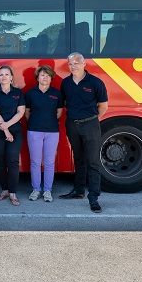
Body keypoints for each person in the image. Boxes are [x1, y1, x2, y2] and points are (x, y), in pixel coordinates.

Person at [59, 52, 108, 213]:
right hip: (72, 125)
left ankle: (93, 197)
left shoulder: (95, 82)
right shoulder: (66, 83)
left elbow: (103, 106)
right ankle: (78, 191)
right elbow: (65, 102)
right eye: (70, 64)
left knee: (93, 162)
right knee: (79, 160)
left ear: (84, 63)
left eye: (76, 63)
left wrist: (92, 120)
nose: (73, 66)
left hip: (90, 125)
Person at [25, 65, 63, 203]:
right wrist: (38, 122)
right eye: (42, 75)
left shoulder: (57, 93)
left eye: (47, 75)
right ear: (37, 77)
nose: (45, 77)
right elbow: (27, 112)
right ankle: (36, 189)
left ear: (51, 77)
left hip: (52, 132)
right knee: (35, 162)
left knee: (49, 162)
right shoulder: (30, 93)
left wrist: (48, 121)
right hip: (34, 131)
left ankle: (47, 190)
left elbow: (59, 112)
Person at [0, 65, 25, 206]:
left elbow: (20, 112)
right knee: (1, 161)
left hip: (14, 130)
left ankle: (13, 193)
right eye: (1, 75)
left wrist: (8, 126)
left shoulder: (18, 92)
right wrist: (5, 130)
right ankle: (4, 190)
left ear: (11, 77)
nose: (3, 77)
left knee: (13, 161)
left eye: (6, 74)